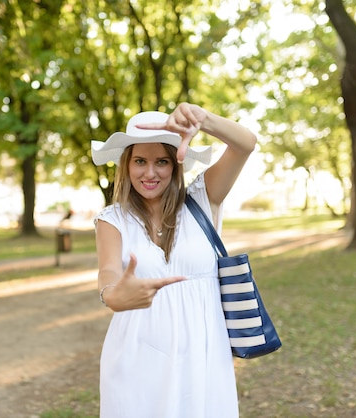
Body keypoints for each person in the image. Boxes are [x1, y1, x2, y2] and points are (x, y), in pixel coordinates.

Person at [91, 102, 257, 417]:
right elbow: (109, 271)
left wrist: (202, 118)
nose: (150, 173)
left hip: (203, 352)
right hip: (138, 355)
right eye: (140, 161)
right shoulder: (113, 219)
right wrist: (113, 294)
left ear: (175, 164)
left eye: (161, 162)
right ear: (126, 165)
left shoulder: (202, 200)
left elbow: (245, 144)